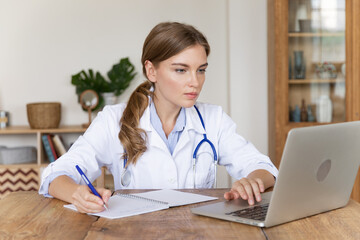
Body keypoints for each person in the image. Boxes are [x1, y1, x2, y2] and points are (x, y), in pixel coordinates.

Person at [39, 22, 278, 213]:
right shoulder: (113, 120)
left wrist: (253, 180)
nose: (195, 82)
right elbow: (54, 176)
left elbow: (263, 167)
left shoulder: (213, 119)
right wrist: (76, 194)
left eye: (201, 70)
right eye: (181, 70)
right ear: (151, 70)